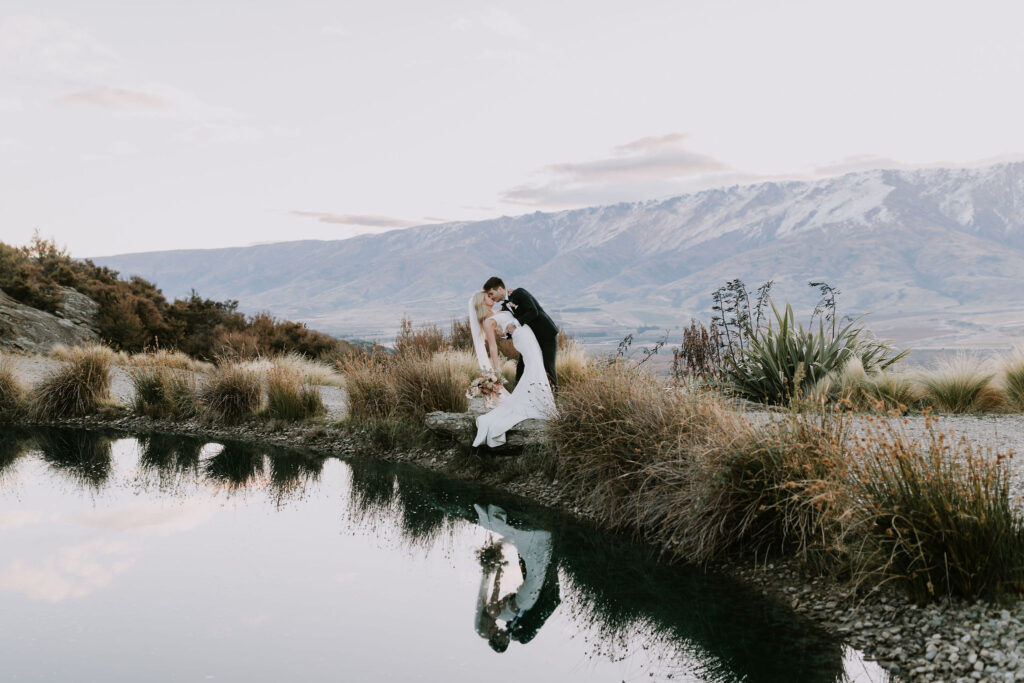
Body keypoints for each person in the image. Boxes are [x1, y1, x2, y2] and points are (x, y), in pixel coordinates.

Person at [468, 291, 555, 448]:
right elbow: (493, 348)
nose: (492, 298)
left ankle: (540, 400)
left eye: (491, 295)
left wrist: (505, 331)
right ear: (482, 302)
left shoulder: (499, 311)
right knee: (534, 367)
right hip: (523, 340)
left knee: (535, 367)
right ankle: (539, 402)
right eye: (488, 296)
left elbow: (509, 324)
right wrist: (496, 371)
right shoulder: (488, 321)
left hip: (527, 338)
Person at [482, 277, 559, 392]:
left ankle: (555, 399)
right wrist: (505, 335)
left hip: (546, 335)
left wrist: (515, 323)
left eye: (491, 293)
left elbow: (533, 311)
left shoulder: (519, 293)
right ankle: (521, 397)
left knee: (548, 367)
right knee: (520, 370)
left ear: (500, 289)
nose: (492, 297)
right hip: (530, 341)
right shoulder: (505, 307)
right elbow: (516, 329)